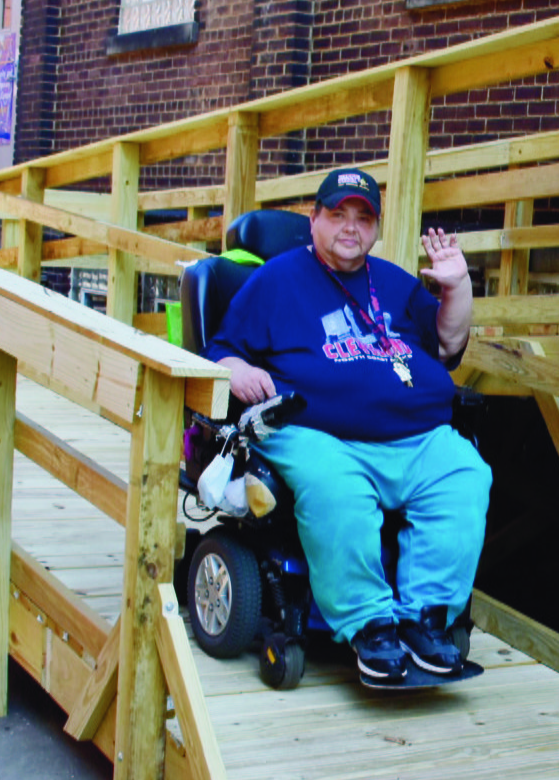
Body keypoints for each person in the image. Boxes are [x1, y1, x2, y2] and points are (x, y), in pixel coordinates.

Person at [203, 167, 491, 686]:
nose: (350, 226)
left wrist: (458, 289)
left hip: (417, 434)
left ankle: (426, 622)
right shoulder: (276, 279)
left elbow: (447, 347)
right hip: (318, 432)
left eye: (363, 217)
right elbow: (222, 349)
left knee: (467, 475)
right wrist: (239, 370)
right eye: (337, 214)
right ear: (314, 220)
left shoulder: (396, 282)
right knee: (338, 490)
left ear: (376, 227)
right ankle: (370, 627)